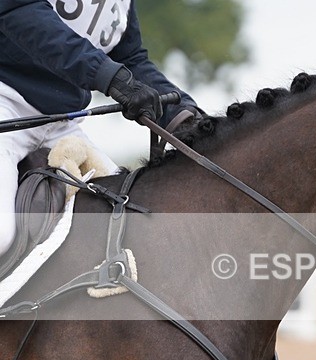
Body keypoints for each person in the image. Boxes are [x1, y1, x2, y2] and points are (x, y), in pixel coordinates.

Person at [0, 0, 200, 257]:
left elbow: (130, 58)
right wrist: (109, 75)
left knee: (131, 223)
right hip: (5, 105)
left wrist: (185, 114)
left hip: (61, 124)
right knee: (2, 236)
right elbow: (19, 11)